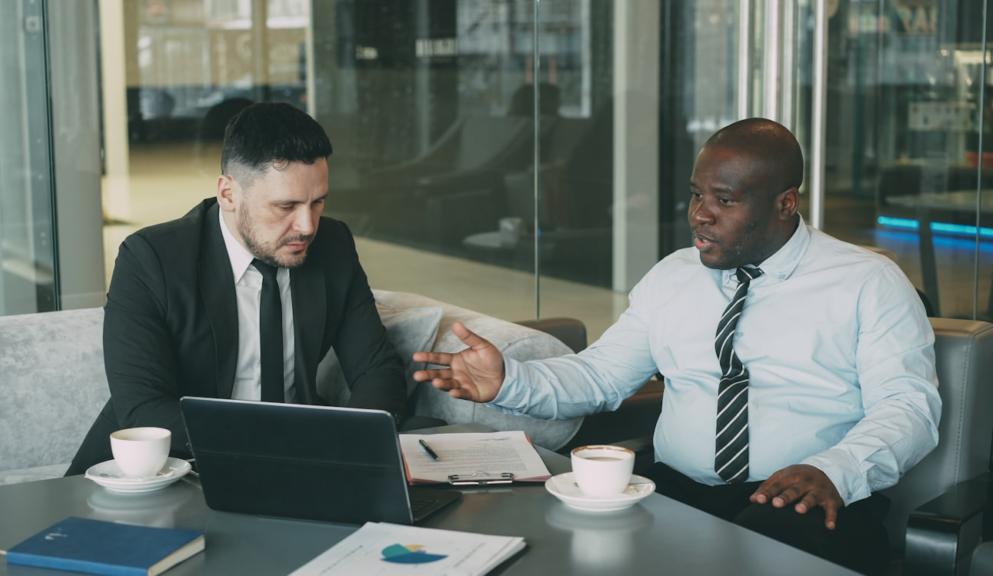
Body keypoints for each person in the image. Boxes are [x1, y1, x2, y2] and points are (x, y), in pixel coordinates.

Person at [413, 118, 941, 575]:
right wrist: (510, 379)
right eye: (696, 195)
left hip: (804, 501)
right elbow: (600, 375)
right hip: (675, 491)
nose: (700, 215)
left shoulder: (867, 282)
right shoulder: (674, 276)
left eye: (724, 201)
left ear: (785, 203)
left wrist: (837, 470)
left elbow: (908, 406)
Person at [67, 102, 407, 474]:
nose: (308, 225)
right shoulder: (151, 259)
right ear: (228, 194)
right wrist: (279, 445)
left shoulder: (333, 244)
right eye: (286, 206)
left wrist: (347, 447)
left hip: (299, 463)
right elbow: (144, 409)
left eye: (318, 202)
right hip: (171, 465)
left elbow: (377, 369)